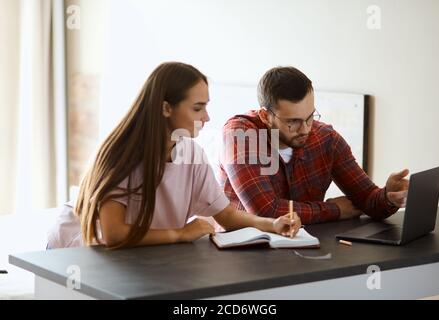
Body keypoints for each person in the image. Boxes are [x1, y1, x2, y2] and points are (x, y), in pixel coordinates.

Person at [47, 62, 301, 250]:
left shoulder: (192, 154)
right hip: (74, 252)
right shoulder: (122, 154)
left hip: (129, 254)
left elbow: (226, 215)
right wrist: (180, 233)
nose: (207, 117)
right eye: (197, 108)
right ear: (166, 108)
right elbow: (114, 234)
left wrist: (271, 224)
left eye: (206, 106)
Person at [219, 66, 409, 224]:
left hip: (306, 251)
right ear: (265, 116)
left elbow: (367, 200)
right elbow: (266, 212)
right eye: (292, 122)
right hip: (242, 255)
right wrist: (334, 210)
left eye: (310, 117)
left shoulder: (326, 139)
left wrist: (388, 197)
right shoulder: (242, 134)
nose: (305, 129)